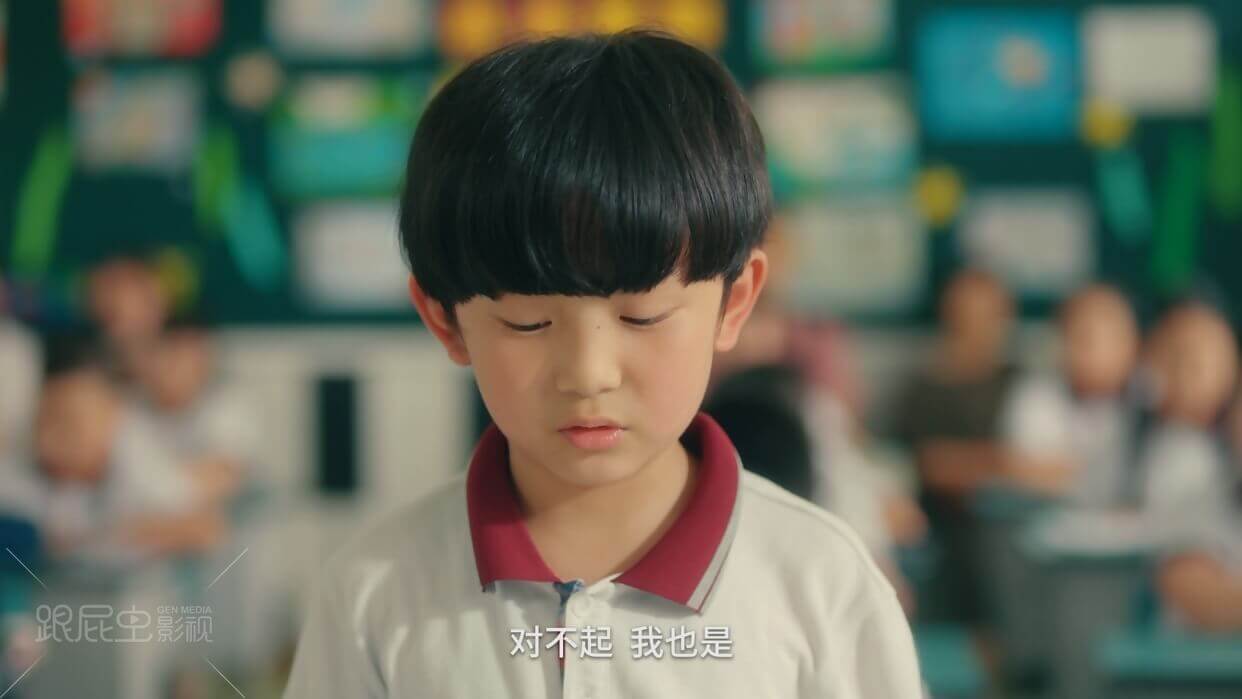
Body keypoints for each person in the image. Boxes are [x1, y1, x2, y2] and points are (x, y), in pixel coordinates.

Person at [284, 31, 921, 698]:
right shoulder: (375, 594)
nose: (589, 374)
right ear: (445, 319)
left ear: (734, 303)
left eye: (642, 317)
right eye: (527, 322)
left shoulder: (823, 587)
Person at [1000, 284, 1141, 506]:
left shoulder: (1154, 399)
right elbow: (1028, 475)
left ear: (1133, 342)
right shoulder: (1036, 395)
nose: (1096, 350)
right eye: (1083, 336)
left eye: (1111, 336)